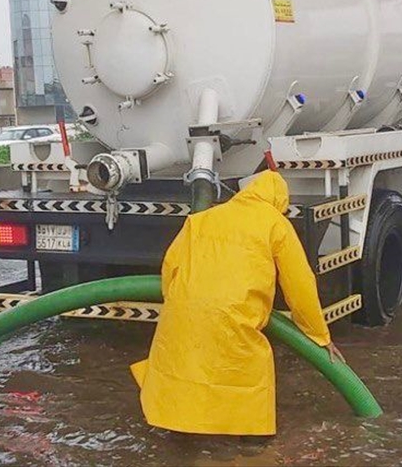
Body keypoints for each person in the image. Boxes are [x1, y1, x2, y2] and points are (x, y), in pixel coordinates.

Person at [130, 170, 342, 436]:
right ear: (279, 202)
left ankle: (182, 431)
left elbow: (170, 266)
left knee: (183, 366)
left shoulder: (203, 218)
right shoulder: (275, 223)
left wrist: (180, 303)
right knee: (247, 373)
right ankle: (250, 442)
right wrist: (320, 336)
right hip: (235, 318)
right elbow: (300, 285)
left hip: (186, 314)